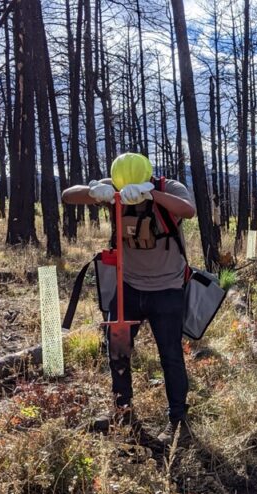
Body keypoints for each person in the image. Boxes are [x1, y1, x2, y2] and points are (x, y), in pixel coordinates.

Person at [62, 153, 197, 444]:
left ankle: (178, 421)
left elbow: (188, 211)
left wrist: (152, 194)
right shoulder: (118, 186)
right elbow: (68, 195)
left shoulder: (168, 187)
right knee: (117, 350)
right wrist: (97, 190)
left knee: (170, 355)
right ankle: (123, 412)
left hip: (168, 289)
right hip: (128, 289)